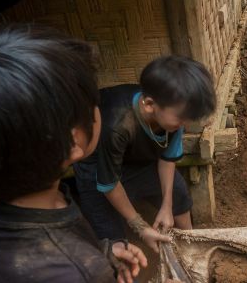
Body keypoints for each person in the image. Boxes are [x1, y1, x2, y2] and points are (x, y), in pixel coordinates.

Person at [0, 24, 147, 282]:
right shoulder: (79, 273)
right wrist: (91, 264)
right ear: (74, 140)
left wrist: (102, 251)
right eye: (95, 102)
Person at [73, 55, 216, 252]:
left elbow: (166, 158)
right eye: (182, 119)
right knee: (111, 236)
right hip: (97, 167)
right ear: (149, 105)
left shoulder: (172, 112)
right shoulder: (118, 126)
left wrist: (167, 206)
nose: (186, 125)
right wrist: (141, 227)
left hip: (135, 159)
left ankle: (191, 247)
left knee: (177, 191)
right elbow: (108, 184)